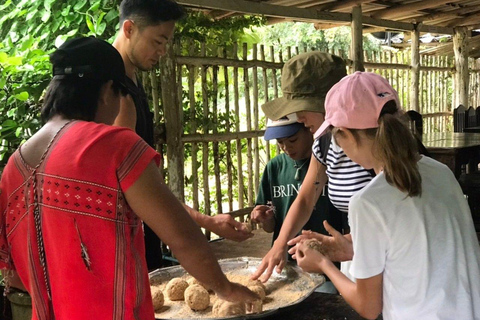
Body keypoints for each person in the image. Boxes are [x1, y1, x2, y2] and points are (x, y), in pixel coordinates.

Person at [0, 37, 258, 320]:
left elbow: (15, 277)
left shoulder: (15, 167)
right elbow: (180, 235)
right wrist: (225, 288)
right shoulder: (114, 146)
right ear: (108, 90)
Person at [289, 72, 480, 320]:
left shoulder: (367, 202)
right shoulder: (440, 172)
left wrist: (323, 264)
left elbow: (368, 307)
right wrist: (352, 247)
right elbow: (417, 246)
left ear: (345, 134)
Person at [112, 0, 252, 270]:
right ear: (129, 29)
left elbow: (145, 182)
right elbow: (137, 190)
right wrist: (204, 223)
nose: (163, 52)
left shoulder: (132, 82)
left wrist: (207, 221)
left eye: (167, 43)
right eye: (157, 41)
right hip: (127, 246)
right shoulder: (117, 97)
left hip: (144, 238)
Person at [251, 51, 373, 282]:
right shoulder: (324, 144)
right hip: (358, 257)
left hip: (383, 260)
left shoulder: (372, 144)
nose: (299, 118)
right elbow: (306, 200)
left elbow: (393, 222)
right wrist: (278, 244)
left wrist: (336, 250)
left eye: (301, 109)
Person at [251, 113, 342, 253]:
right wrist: (265, 218)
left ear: (309, 129)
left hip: (329, 254)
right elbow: (269, 228)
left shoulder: (329, 164)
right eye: (280, 142)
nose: (286, 147)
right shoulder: (274, 167)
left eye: (292, 140)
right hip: (286, 255)